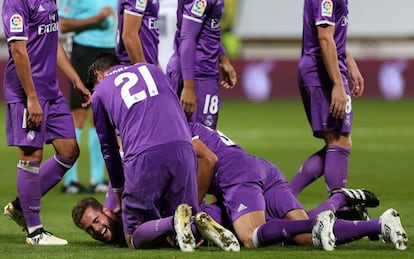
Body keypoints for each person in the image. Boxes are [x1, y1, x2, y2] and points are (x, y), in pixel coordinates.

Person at [86, 53, 239, 251]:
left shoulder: (100, 92)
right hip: (184, 147)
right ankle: (194, 222)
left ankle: (172, 221)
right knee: (184, 221)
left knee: (133, 237)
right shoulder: (152, 69)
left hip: (144, 154)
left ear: (99, 75)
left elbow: (109, 150)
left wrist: (119, 192)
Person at [190, 122, 408, 251]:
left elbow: (208, 160)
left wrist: (196, 208)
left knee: (251, 236)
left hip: (238, 175)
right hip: (260, 168)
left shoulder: (178, 130)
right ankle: (378, 224)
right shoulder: (190, 124)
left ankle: (338, 202)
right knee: (306, 236)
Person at [2, 0, 91, 245]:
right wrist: (31, 98)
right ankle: (35, 232)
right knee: (32, 154)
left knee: (69, 150)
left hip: (51, 89)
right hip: (26, 92)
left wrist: (75, 80)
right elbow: (18, 50)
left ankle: (21, 206)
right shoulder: (15, 2)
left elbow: (53, 41)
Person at [289, 0, 365, 198]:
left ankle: (284, 197)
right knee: (339, 140)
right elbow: (324, 38)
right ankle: (337, 207)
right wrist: (338, 85)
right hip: (321, 74)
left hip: (324, 71)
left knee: (337, 141)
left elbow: (333, 36)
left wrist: (350, 63)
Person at [58, 0, 117, 194]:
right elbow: (63, 24)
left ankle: (97, 178)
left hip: (109, 52)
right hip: (84, 50)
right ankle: (70, 180)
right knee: (79, 115)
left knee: (101, 116)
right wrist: (96, 19)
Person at [166, 0, 237, 129]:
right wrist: (189, 87)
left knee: (181, 135)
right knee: (203, 137)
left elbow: (208, 30)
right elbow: (188, 37)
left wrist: (223, 60)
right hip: (198, 74)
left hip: (192, 70)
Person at [117, 0, 159, 65]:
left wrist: (157, 68)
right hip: (133, 68)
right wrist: (143, 71)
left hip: (149, 64)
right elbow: (129, 36)